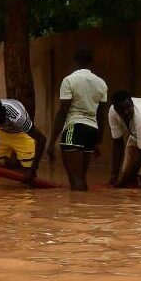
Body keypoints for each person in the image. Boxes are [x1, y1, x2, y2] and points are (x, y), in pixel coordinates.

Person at [51, 46, 108, 190]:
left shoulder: (69, 80)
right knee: (81, 177)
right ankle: (82, 210)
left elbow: (63, 111)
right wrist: (98, 141)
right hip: (92, 130)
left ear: (75, 61)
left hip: (74, 127)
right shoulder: (101, 83)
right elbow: (101, 115)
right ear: (92, 62)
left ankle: (75, 210)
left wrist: (52, 141)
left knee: (75, 178)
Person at [0, 96, 47, 187]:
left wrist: (32, 170)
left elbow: (42, 140)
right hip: (0, 134)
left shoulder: (17, 116)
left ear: (1, 114)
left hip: (20, 134)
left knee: (29, 176)